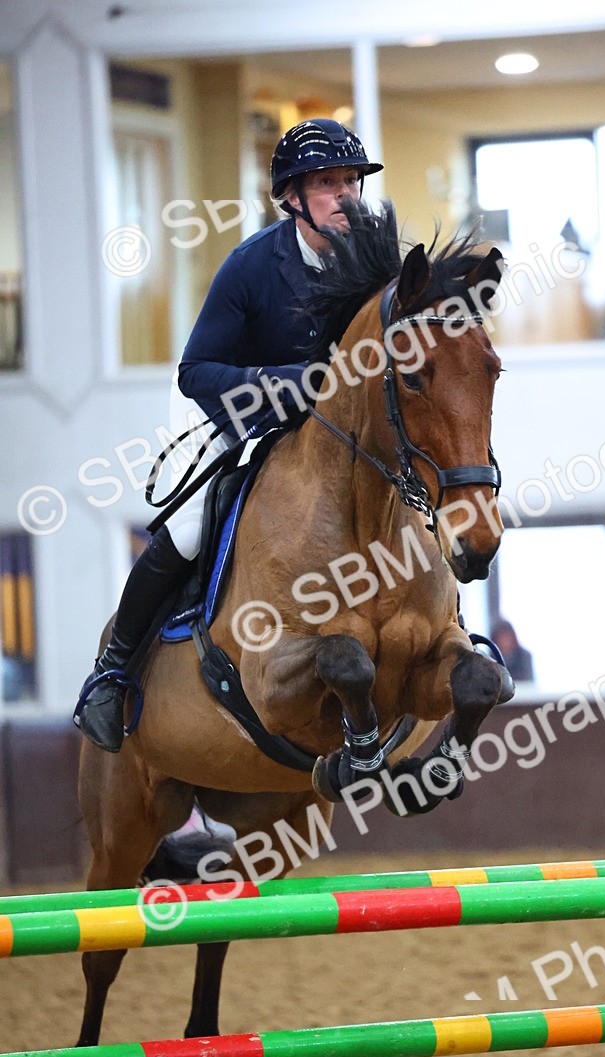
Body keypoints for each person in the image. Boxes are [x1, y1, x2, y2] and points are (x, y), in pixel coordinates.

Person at [75, 118, 383, 752]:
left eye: (353, 181)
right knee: (190, 531)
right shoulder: (251, 267)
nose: (347, 195)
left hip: (317, 422)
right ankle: (111, 673)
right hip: (225, 406)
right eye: (329, 183)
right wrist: (288, 380)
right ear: (293, 198)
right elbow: (196, 372)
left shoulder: (373, 257)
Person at [489, 618, 534, 683]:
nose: (505, 641)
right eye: (501, 637)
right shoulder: (489, 658)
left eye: (507, 637)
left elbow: (527, 680)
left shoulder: (524, 656)